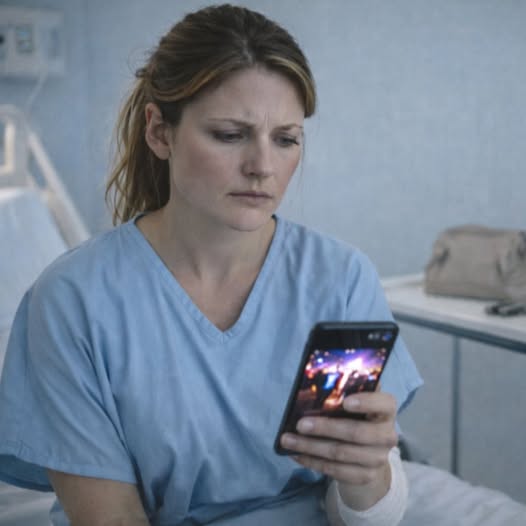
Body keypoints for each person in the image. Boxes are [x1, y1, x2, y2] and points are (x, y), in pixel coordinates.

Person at [0, 4, 422, 525]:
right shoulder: (74, 300)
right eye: (229, 134)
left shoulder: (340, 279)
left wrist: (367, 476)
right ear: (160, 132)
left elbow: (360, 510)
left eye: (286, 139)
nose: (262, 167)